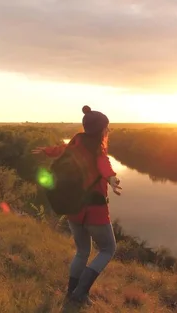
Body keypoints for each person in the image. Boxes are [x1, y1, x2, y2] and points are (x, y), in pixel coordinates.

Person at [31, 105, 122, 306]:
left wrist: (46, 151)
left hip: (74, 209)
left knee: (82, 251)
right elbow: (103, 164)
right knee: (108, 249)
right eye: (106, 128)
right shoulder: (98, 148)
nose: (108, 131)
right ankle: (80, 292)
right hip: (95, 211)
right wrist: (112, 179)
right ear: (101, 129)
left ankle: (72, 293)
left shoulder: (76, 142)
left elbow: (61, 150)